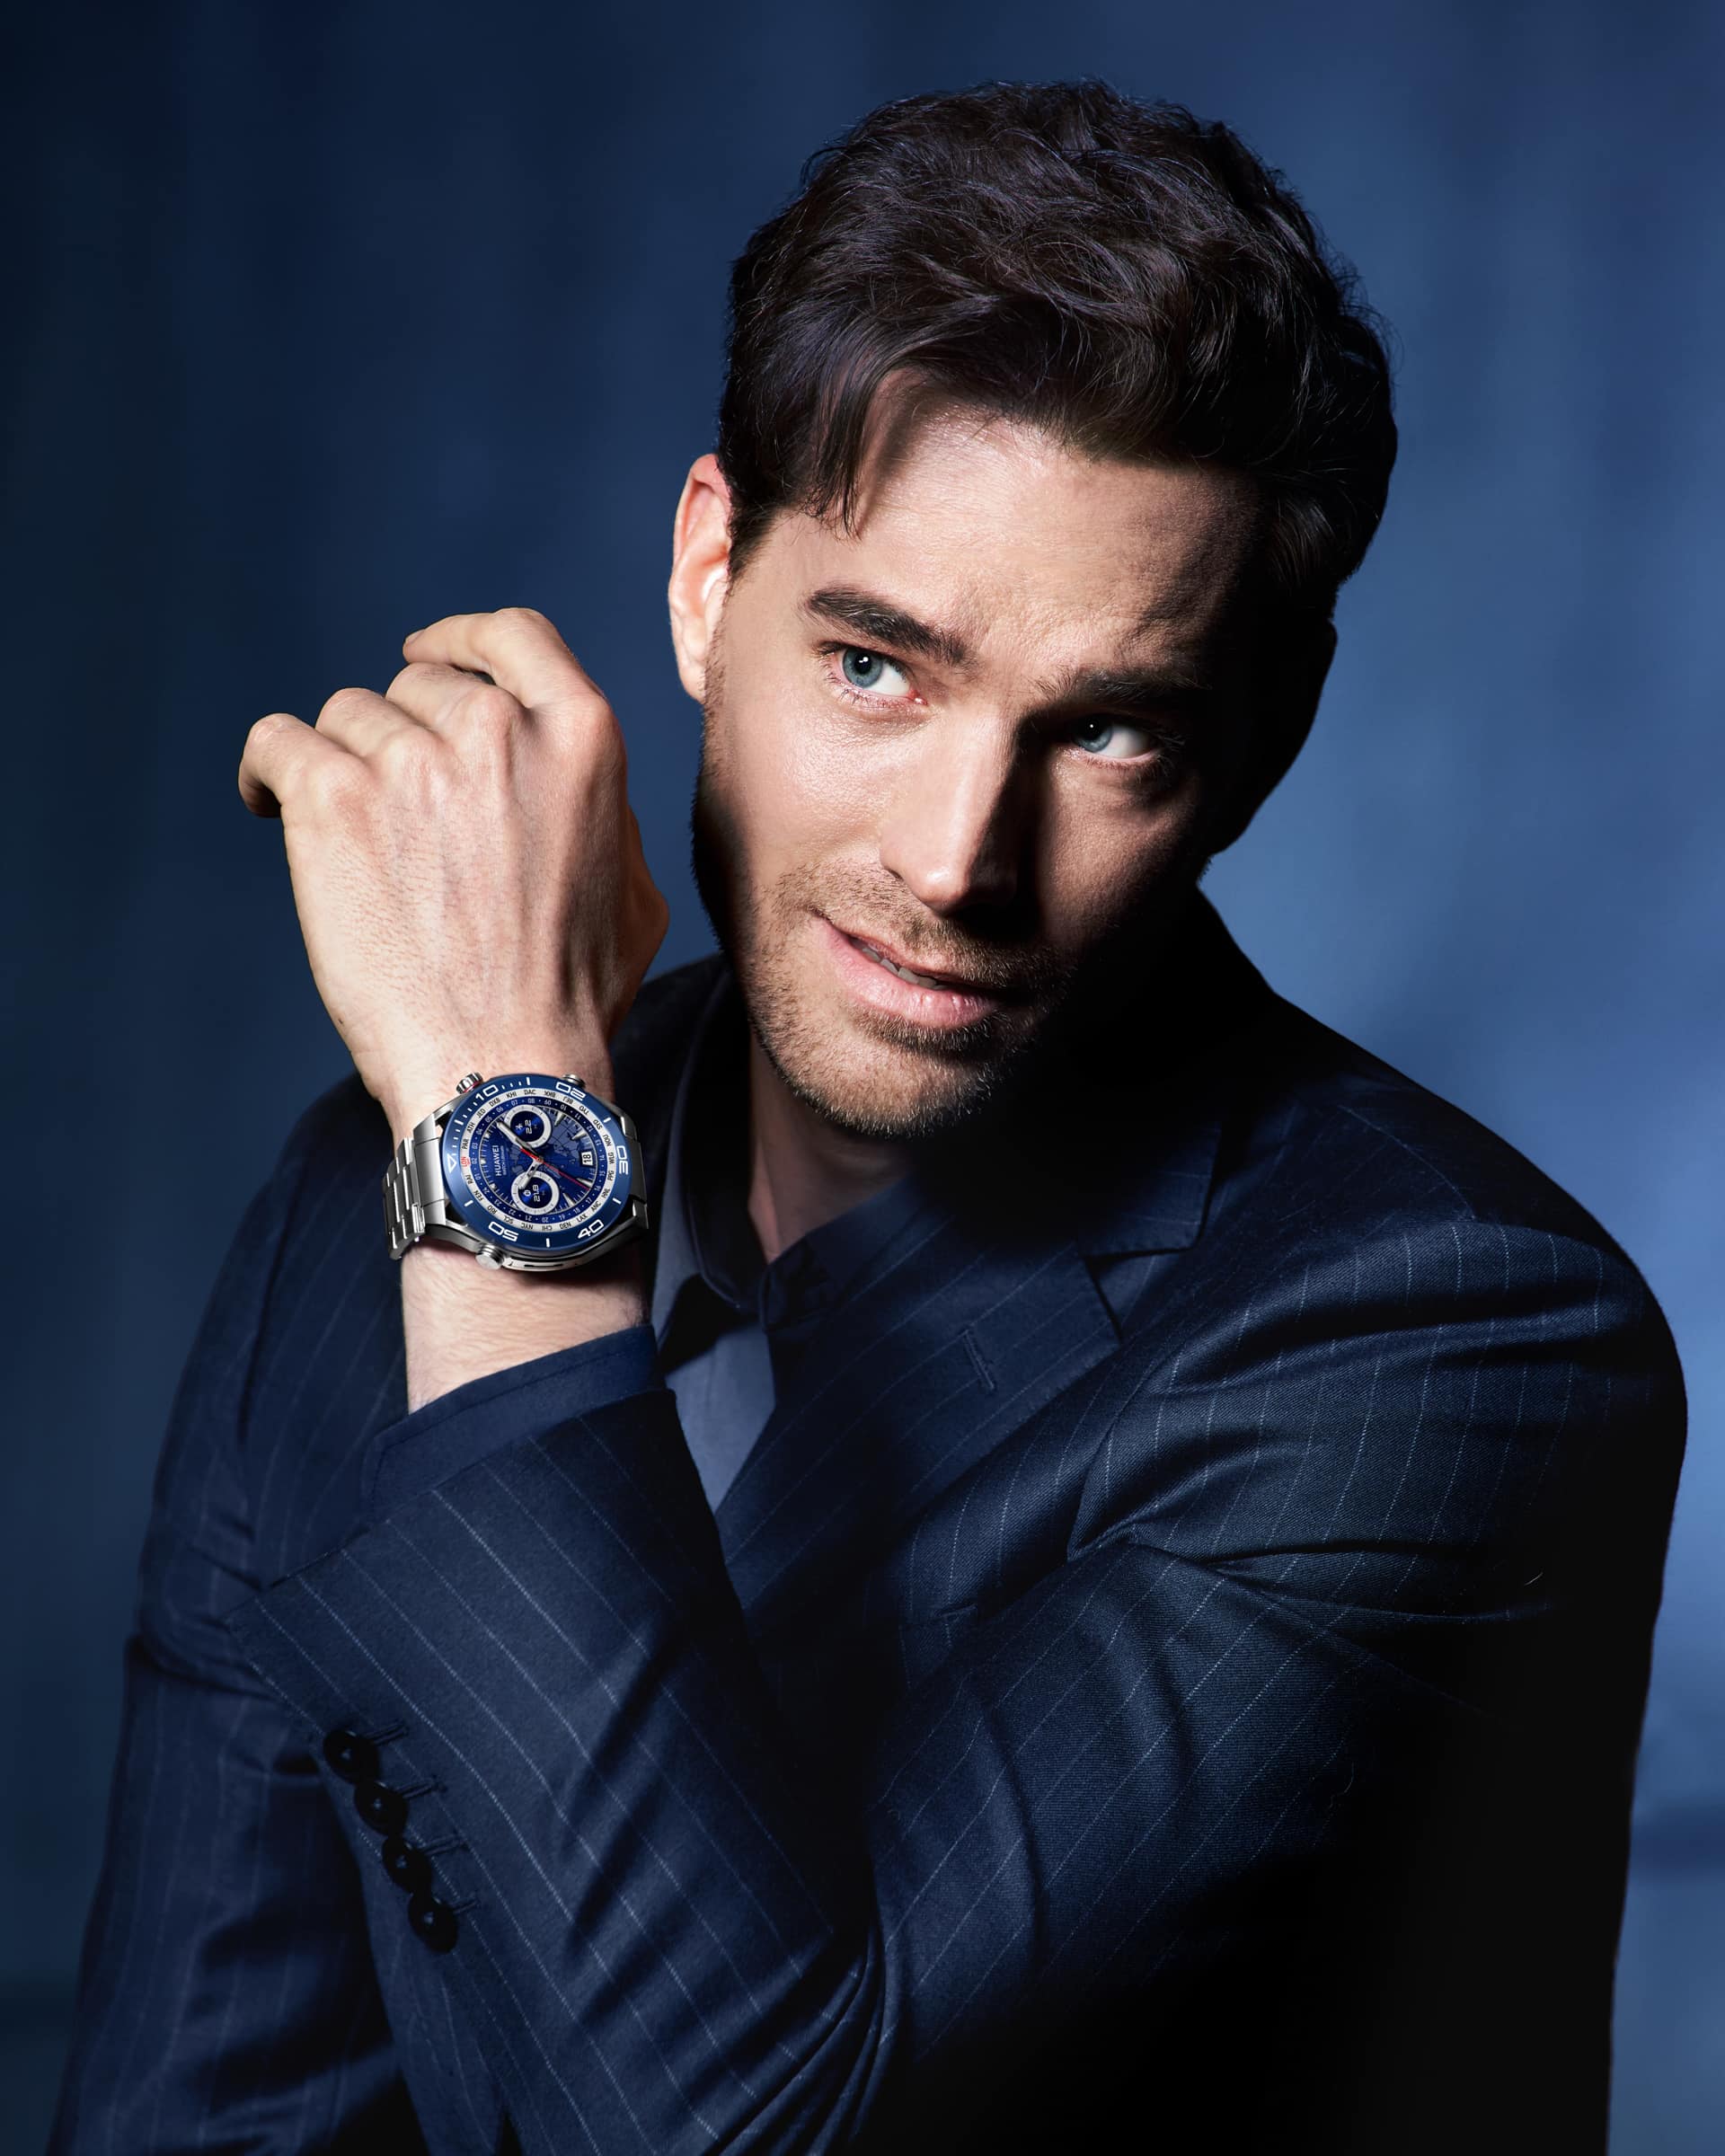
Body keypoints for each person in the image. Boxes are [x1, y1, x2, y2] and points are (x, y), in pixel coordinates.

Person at [53, 79, 1685, 2156]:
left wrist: (508, 1158)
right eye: (875, 667)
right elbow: (205, 2113)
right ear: (706, 578)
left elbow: (742, 2131)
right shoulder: (346, 1216)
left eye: (1109, 732)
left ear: (1263, 741)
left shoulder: (1449, 1342)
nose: (954, 858)